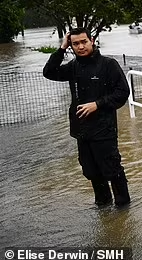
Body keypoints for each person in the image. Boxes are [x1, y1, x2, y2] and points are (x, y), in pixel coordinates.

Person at [43, 27, 131, 207]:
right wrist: (61, 48)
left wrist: (97, 104)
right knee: (91, 172)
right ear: (71, 46)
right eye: (75, 44)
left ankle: (123, 212)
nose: (81, 46)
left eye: (84, 42)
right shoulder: (73, 67)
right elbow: (49, 72)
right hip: (82, 131)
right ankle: (104, 208)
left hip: (104, 129)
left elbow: (123, 92)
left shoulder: (108, 65)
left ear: (92, 40)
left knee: (112, 170)